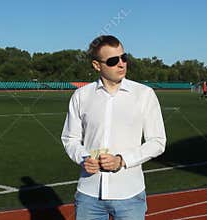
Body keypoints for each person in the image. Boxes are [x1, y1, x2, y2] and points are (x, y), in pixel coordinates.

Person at [61, 35, 166, 220]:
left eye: (124, 57)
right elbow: (70, 139)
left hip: (129, 194)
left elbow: (157, 142)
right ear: (96, 65)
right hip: (89, 194)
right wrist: (84, 158)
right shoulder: (81, 96)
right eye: (112, 60)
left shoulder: (144, 94)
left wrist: (122, 160)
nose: (121, 64)